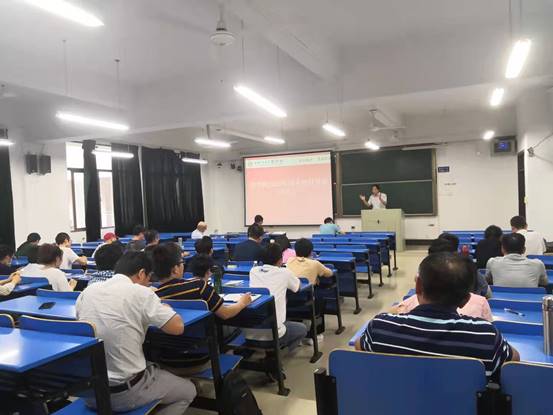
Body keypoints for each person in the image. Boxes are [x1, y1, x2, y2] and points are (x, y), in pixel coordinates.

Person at [355, 253, 518, 379]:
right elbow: (513, 362)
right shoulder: (486, 337)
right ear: (466, 299)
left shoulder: (380, 328)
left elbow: (358, 346)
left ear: (418, 286)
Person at [76, 251, 196, 414]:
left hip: (90, 391)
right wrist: (165, 308)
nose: (148, 283)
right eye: (148, 278)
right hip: (124, 393)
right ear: (141, 273)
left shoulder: (88, 291)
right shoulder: (140, 292)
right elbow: (177, 327)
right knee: (189, 391)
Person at [154, 246, 251, 319]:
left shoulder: (154, 297)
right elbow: (225, 313)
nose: (183, 265)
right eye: (182, 262)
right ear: (175, 269)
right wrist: (242, 302)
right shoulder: (199, 286)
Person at [245, 243, 307, 349]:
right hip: (274, 334)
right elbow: (297, 287)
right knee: (302, 329)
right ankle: (279, 352)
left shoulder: (253, 271)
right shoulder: (285, 273)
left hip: (249, 334)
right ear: (280, 259)